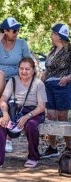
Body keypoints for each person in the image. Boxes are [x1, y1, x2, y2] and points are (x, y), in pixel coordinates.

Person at [0, 57, 46, 169]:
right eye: (21, 68)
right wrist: (5, 114)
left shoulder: (38, 83)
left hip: (34, 112)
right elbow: (2, 100)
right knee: (2, 124)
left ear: (33, 70)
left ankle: (33, 157)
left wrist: (27, 116)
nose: (24, 71)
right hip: (15, 110)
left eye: (27, 69)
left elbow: (41, 107)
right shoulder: (13, 81)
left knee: (31, 125)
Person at [0, 17, 32, 153]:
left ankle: (8, 138)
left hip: (16, 79)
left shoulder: (22, 43)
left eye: (17, 30)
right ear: (5, 30)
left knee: (11, 104)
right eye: (13, 30)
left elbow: (28, 60)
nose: (16, 33)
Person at [41, 23, 71, 158]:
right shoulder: (52, 50)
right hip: (48, 86)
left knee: (63, 116)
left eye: (53, 33)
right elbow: (49, 66)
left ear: (59, 36)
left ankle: (69, 146)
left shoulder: (69, 49)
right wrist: (44, 73)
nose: (51, 35)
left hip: (62, 86)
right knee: (51, 116)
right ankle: (53, 147)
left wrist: (68, 77)